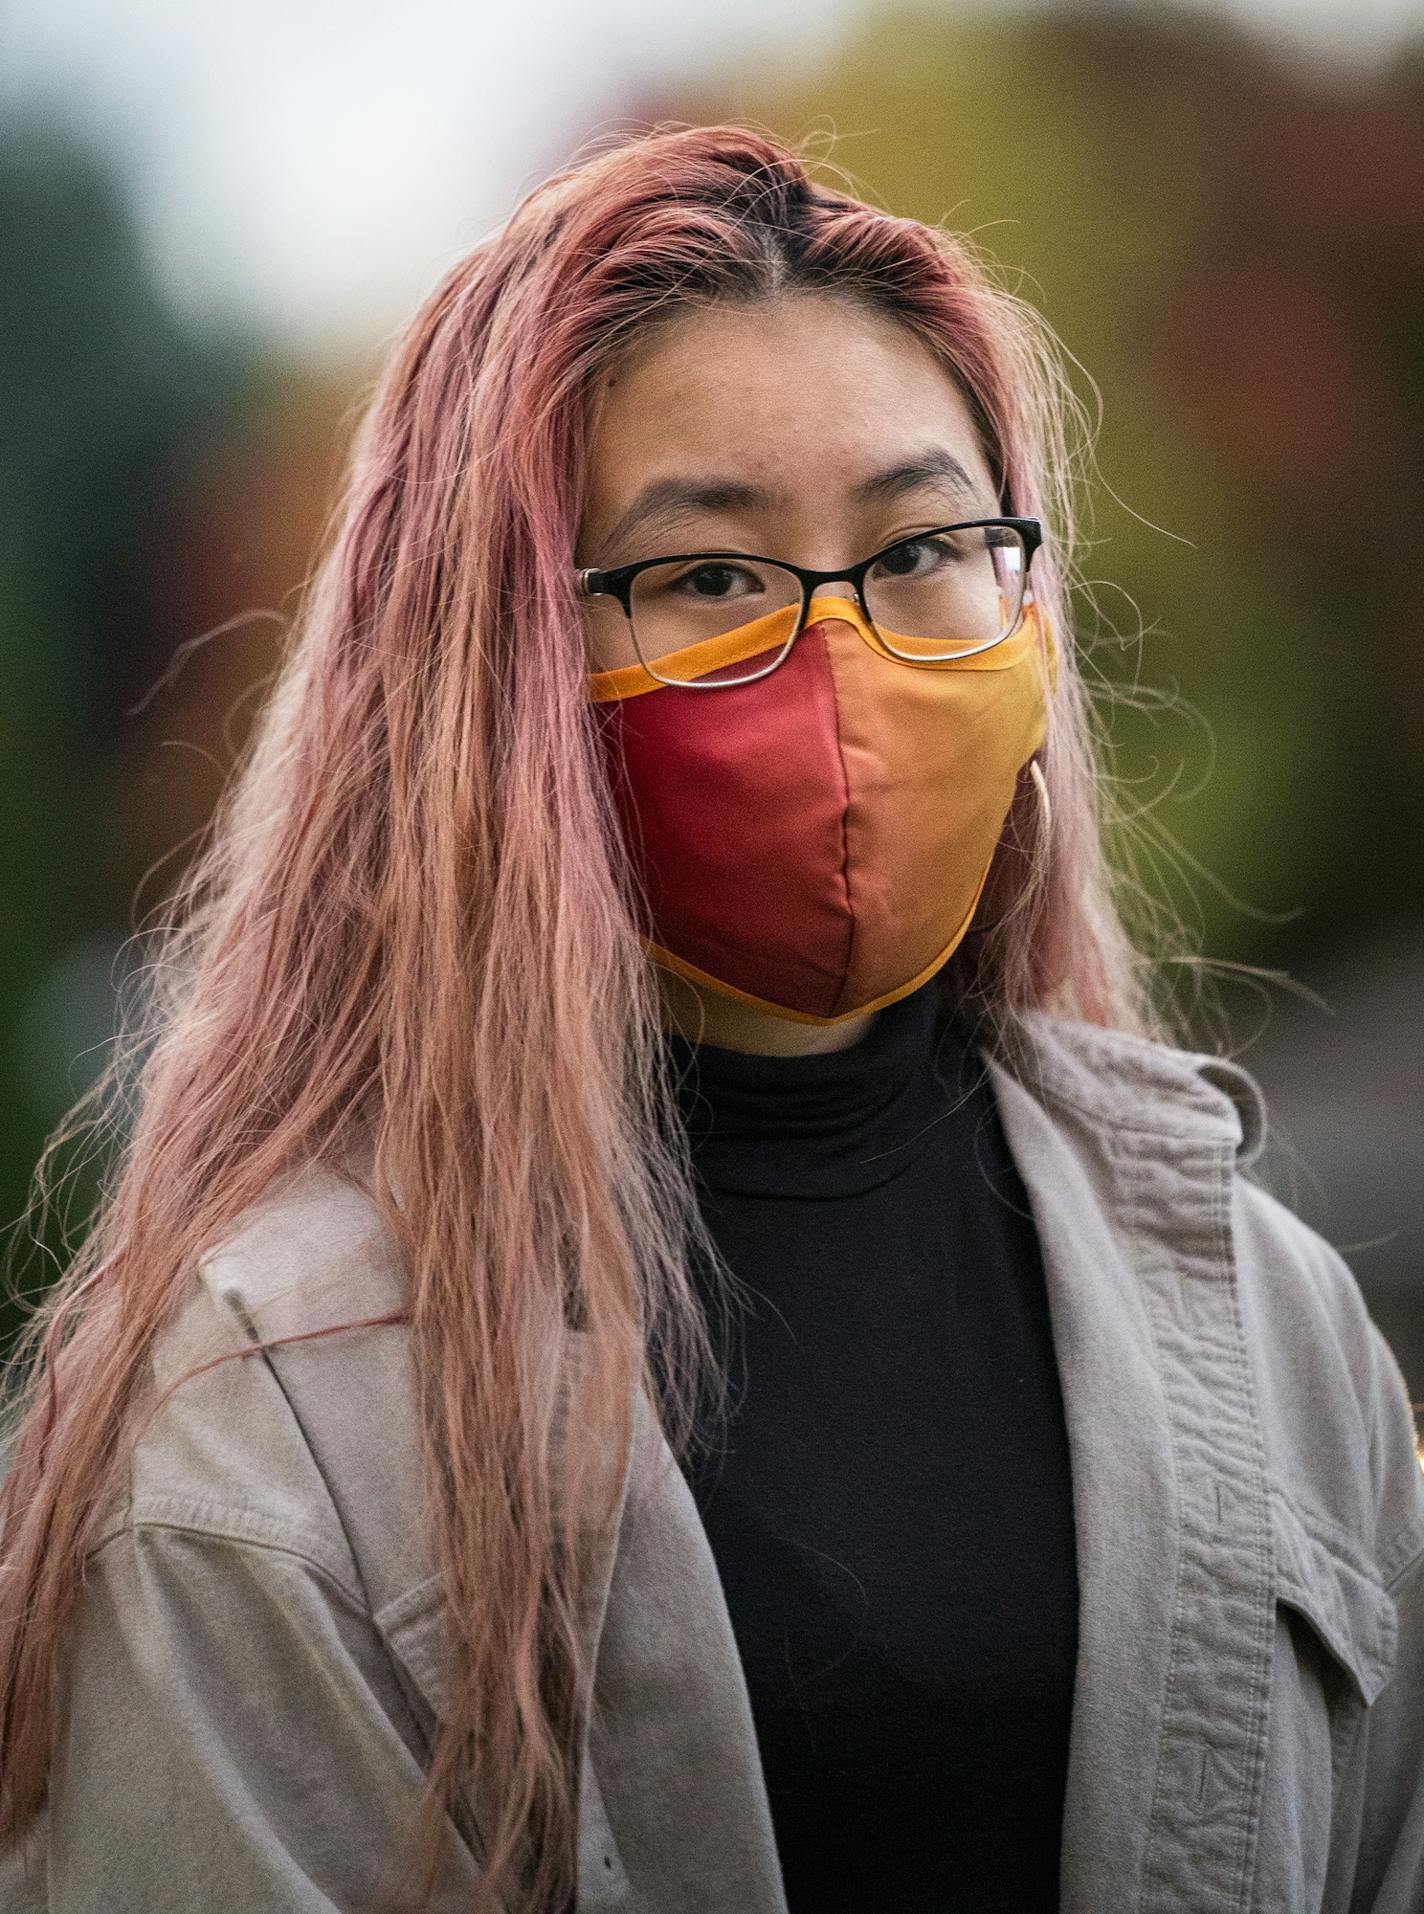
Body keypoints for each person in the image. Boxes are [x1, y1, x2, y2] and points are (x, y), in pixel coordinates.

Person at [1, 122, 1421, 1914]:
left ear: (1029, 603)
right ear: (489, 671)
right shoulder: (273, 1417)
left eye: (921, 547)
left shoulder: (1271, 1316)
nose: (840, 660)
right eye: (710, 576)